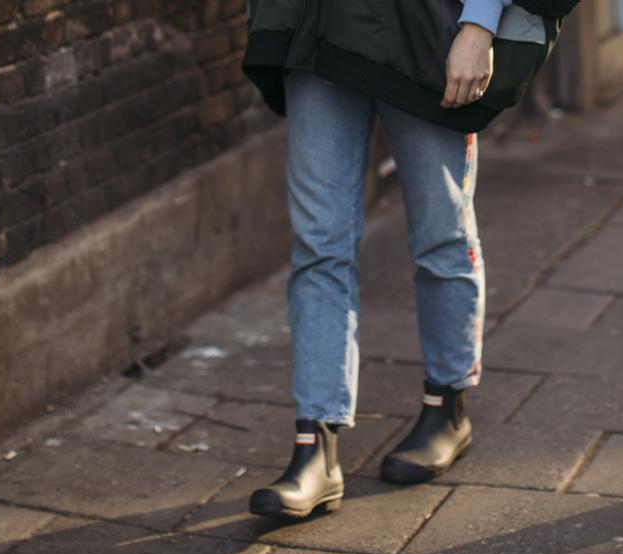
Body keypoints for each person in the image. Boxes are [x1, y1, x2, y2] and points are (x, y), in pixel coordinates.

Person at [241, 0, 578, 518]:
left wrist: (480, 25)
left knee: (442, 234)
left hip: (430, 33)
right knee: (318, 246)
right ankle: (316, 448)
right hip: (315, 28)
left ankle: (448, 411)